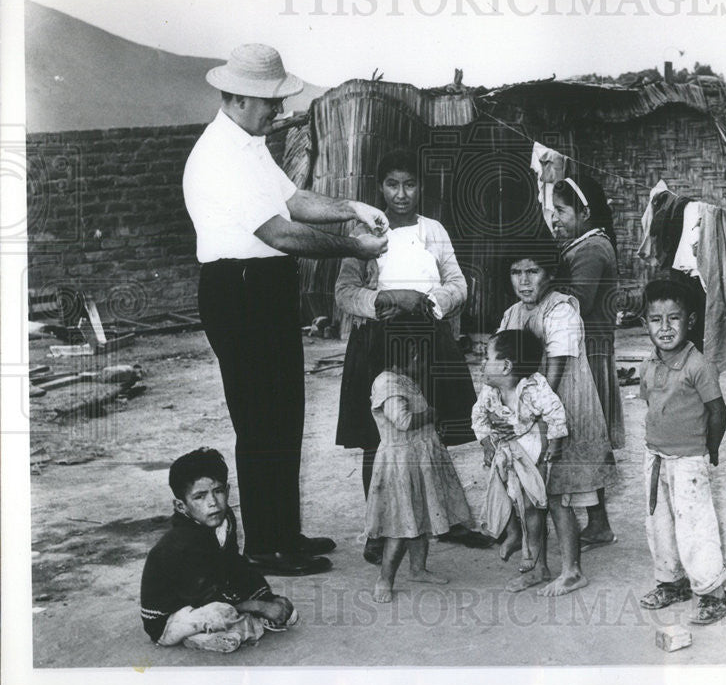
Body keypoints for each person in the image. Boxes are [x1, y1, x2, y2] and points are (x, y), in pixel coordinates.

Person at [184, 43, 389, 576]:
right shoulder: (219, 156)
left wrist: (351, 209)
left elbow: (292, 200)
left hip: (266, 287)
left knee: (285, 415)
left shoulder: (249, 143)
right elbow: (278, 231)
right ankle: (264, 547)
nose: (278, 111)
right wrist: (353, 245)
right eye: (271, 102)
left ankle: (284, 534)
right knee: (259, 421)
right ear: (240, 98)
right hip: (238, 289)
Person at [336, 148, 485, 566]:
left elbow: (457, 282)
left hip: (427, 341)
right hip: (378, 343)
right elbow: (345, 292)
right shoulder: (364, 231)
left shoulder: (433, 230)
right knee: (379, 439)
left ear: (421, 187)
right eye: (392, 185)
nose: (401, 194)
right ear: (379, 188)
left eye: (410, 185)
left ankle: (439, 520)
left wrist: (430, 300)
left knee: (429, 432)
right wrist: (386, 297)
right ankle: (379, 530)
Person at [497, 241, 616, 596]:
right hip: (526, 413)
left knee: (558, 493)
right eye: (517, 272)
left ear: (549, 274)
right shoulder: (512, 314)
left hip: (559, 411)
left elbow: (554, 372)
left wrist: (530, 419)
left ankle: (572, 569)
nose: (524, 280)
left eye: (532, 271)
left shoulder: (562, 311)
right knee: (531, 494)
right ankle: (538, 567)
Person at [637, 279, 726, 624]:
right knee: (658, 525)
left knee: (695, 527)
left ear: (689, 321)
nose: (664, 328)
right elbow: (652, 402)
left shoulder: (699, 366)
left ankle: (712, 593)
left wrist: (711, 450)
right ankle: (672, 582)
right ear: (645, 323)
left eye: (673, 319)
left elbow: (718, 411)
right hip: (656, 458)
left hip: (689, 460)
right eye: (655, 319)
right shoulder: (648, 364)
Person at [140, 448, 298, 653]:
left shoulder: (224, 519)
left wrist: (266, 597)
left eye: (218, 491)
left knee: (246, 579)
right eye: (199, 496)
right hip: (172, 616)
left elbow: (233, 566)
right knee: (221, 611)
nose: (213, 502)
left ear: (228, 490)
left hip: (207, 590)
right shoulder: (182, 545)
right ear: (181, 506)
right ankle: (203, 637)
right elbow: (205, 598)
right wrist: (260, 607)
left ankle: (237, 626)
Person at [365, 335, 472, 603]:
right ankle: (385, 579)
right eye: (416, 356)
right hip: (401, 463)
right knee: (401, 525)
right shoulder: (387, 383)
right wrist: (431, 415)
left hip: (418, 459)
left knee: (420, 516)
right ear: (399, 358)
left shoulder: (403, 380)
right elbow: (403, 420)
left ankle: (418, 568)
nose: (421, 361)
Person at [551, 174, 625, 551]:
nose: (556, 218)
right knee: (584, 439)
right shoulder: (585, 245)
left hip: (589, 356)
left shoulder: (591, 250)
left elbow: (576, 303)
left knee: (585, 437)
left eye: (561, 211)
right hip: (588, 351)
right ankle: (598, 522)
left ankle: (598, 524)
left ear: (584, 211)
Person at [473, 330, 568, 588]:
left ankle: (535, 556)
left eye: (486, 357)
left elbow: (555, 413)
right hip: (504, 450)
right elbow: (478, 417)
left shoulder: (535, 387)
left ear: (505, 366)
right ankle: (514, 535)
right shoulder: (490, 391)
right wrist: (485, 444)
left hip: (529, 449)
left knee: (530, 506)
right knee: (504, 496)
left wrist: (556, 442)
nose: (482, 363)